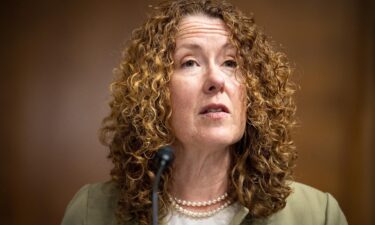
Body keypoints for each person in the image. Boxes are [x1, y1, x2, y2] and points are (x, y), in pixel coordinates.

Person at [61, 0, 348, 225]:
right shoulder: (92, 212)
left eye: (231, 62)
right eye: (190, 63)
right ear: (153, 90)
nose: (216, 79)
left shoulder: (316, 215)